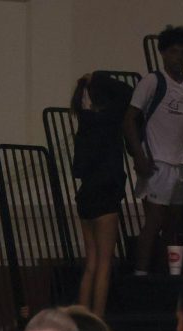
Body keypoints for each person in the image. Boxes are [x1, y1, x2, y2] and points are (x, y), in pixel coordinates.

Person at [124, 25, 183, 276]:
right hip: (157, 163)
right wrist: (140, 157)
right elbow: (129, 119)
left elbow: (181, 121)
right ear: (164, 53)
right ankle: (140, 275)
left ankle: (172, 274)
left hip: (178, 163)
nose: (180, 57)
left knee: (174, 225)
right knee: (153, 223)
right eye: (175, 51)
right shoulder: (153, 81)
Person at [71, 71, 133, 316]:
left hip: (86, 195)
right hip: (106, 195)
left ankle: (82, 317)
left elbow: (78, 167)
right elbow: (129, 93)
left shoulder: (84, 124)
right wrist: (99, 77)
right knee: (105, 265)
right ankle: (97, 318)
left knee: (91, 264)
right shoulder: (109, 121)